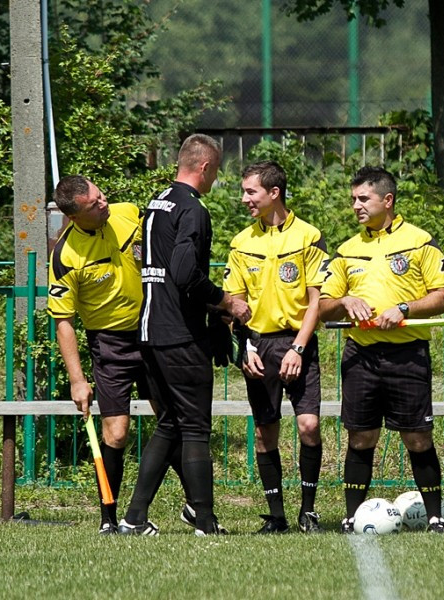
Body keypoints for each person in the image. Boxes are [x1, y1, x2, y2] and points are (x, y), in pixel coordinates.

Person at [48, 175, 212, 535]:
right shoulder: (65, 255)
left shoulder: (129, 214)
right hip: (110, 344)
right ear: (74, 216)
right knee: (117, 433)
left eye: (102, 195)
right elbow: (64, 322)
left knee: (172, 420)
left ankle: (193, 505)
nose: (104, 203)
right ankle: (109, 517)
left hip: (152, 330)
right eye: (94, 205)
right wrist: (78, 380)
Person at [119, 134, 251, 536]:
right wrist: (225, 302)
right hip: (178, 334)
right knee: (194, 426)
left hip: (149, 329)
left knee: (171, 423)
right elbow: (183, 272)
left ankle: (134, 518)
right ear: (206, 167)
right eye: (217, 171)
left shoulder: (157, 202)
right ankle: (205, 521)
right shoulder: (192, 209)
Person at [318, 166, 444, 534]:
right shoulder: (347, 250)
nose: (356, 206)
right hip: (361, 357)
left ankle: (436, 516)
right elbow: (324, 305)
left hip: (407, 355)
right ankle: (351, 516)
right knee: (361, 436)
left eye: (363, 198)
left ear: (387, 200)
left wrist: (405, 308)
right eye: (353, 200)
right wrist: (346, 300)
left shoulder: (420, 241)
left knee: (417, 437)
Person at [223, 161, 327, 534]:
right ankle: (277, 516)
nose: (244, 198)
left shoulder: (308, 236)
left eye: (250, 191)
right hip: (257, 345)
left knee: (308, 425)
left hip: (297, 342)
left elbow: (317, 300)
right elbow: (233, 302)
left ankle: (309, 512)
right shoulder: (241, 242)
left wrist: (299, 348)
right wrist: (245, 346)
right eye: (244, 191)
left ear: (274, 193)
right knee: (266, 434)